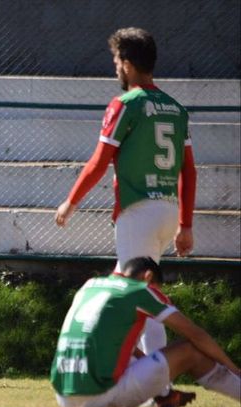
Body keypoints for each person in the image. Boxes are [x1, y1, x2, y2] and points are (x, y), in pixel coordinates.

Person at [55, 27, 197, 363]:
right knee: (126, 292)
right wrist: (186, 224)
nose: (115, 67)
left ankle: (158, 382)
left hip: (139, 211)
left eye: (117, 60)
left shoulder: (125, 104)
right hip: (167, 211)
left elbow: (99, 162)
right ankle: (128, 367)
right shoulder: (176, 108)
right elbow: (188, 171)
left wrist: (70, 202)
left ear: (129, 64)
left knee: (140, 298)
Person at [51, 257, 240, 407]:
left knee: (128, 353)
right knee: (190, 350)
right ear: (148, 277)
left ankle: (164, 397)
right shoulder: (140, 290)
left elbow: (125, 347)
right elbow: (195, 334)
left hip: (64, 396)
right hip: (100, 394)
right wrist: (233, 367)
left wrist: (158, 385)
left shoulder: (90, 286)